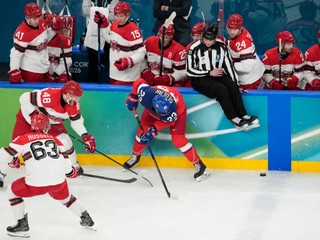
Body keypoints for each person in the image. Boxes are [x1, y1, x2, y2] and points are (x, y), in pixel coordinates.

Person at [0, 114, 94, 238]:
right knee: (65, 198)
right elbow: (67, 166)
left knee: (12, 192)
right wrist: (72, 172)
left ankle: (22, 224)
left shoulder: (22, 139)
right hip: (58, 184)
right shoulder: (56, 140)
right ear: (46, 127)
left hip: (35, 185)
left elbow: (4, 156)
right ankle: (85, 216)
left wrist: (12, 161)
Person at [0, 81, 96, 187]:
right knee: (13, 150)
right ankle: (1, 174)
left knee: (65, 141)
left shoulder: (73, 107)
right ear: (68, 94)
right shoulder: (49, 96)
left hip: (50, 125)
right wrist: (33, 114)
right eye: (75, 97)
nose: (77, 100)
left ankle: (74, 165)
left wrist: (85, 136)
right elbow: (24, 98)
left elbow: (76, 122)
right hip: (27, 121)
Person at [123, 78, 210, 181]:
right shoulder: (147, 94)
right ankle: (135, 157)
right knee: (141, 133)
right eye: (163, 114)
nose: (165, 114)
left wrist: (153, 131)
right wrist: (133, 97)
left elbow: (169, 121)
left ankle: (200, 166)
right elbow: (138, 81)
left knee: (178, 140)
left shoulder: (172, 111)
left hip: (179, 112)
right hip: (151, 111)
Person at [186, 24, 259, 131]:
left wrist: (236, 84)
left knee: (232, 86)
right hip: (199, 78)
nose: (207, 42)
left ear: (215, 38)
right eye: (205, 39)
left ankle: (243, 115)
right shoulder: (194, 48)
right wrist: (209, 72)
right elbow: (189, 71)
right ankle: (233, 118)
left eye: (210, 40)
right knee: (222, 89)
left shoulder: (221, 46)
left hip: (217, 74)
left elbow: (229, 66)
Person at [94, 1, 146, 85]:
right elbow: (110, 40)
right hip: (114, 74)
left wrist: (128, 61)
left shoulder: (134, 30)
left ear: (128, 15)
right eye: (117, 16)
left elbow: (141, 53)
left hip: (128, 77)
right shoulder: (114, 24)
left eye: (121, 16)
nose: (119, 18)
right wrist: (104, 26)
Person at [8, 3, 50, 83]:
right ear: (27, 17)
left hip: (45, 68)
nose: (38, 21)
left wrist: (54, 29)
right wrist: (14, 70)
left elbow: (46, 39)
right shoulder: (22, 32)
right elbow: (15, 54)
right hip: (30, 71)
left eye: (38, 18)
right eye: (34, 19)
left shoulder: (42, 22)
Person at [82, 0, 119, 83]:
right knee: (92, 64)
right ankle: (91, 88)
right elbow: (85, 11)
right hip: (92, 33)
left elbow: (114, 15)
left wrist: (95, 12)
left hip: (109, 33)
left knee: (111, 62)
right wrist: (106, 10)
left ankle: (113, 87)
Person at [226, 14, 265, 89]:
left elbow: (247, 67)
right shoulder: (239, 30)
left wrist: (229, 65)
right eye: (229, 28)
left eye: (234, 29)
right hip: (251, 70)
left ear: (240, 28)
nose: (231, 32)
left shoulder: (243, 44)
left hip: (249, 78)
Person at [46, 14, 72, 83]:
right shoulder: (39, 39)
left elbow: (66, 62)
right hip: (44, 71)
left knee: (63, 81)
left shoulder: (65, 40)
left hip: (61, 72)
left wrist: (55, 74)